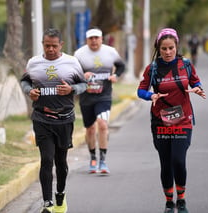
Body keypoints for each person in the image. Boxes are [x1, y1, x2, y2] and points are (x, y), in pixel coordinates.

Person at [137, 28, 206, 213]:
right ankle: (169, 201)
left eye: (171, 48)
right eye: (164, 49)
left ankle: (181, 200)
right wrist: (150, 96)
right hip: (160, 121)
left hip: (183, 119)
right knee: (166, 162)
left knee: (178, 160)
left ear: (177, 47)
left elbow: (195, 82)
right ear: (158, 49)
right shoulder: (152, 68)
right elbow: (140, 90)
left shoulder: (186, 64)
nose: (168, 52)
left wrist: (198, 89)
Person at [20, 28, 87, 213]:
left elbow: (84, 84)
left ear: (61, 45)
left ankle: (60, 194)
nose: (50, 49)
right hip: (41, 118)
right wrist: (29, 91)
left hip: (64, 119)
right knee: (46, 160)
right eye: (47, 45)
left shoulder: (72, 62)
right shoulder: (34, 62)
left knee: (61, 162)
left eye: (54, 46)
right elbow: (25, 81)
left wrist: (71, 89)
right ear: (43, 44)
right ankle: (47, 204)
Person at [74, 28, 125, 174]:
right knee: (90, 129)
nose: (94, 41)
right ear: (86, 40)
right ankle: (93, 158)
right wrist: (83, 75)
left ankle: (103, 161)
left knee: (102, 125)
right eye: (91, 38)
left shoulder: (110, 52)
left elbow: (121, 66)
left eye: (97, 38)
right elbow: (73, 73)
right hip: (86, 97)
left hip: (104, 95)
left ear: (102, 39)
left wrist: (116, 75)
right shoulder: (79, 54)